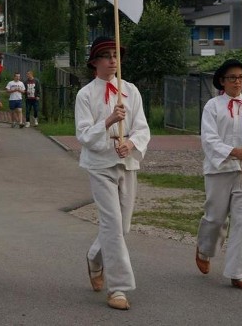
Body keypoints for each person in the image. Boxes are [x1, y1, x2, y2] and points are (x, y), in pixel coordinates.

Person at [76, 36, 150, 311]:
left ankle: (95, 257)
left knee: (123, 226)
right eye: (106, 55)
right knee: (111, 223)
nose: (112, 60)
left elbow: (143, 127)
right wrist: (108, 121)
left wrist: (131, 143)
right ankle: (118, 288)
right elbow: (83, 135)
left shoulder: (130, 90)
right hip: (99, 164)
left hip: (126, 161)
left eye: (115, 55)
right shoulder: (86, 94)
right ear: (95, 62)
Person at [194, 58, 242, 291]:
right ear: (222, 81)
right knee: (215, 218)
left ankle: (239, 273)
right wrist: (232, 152)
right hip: (219, 170)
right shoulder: (213, 106)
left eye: (241, 77)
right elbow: (208, 139)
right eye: (232, 78)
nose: (237, 82)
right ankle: (204, 249)